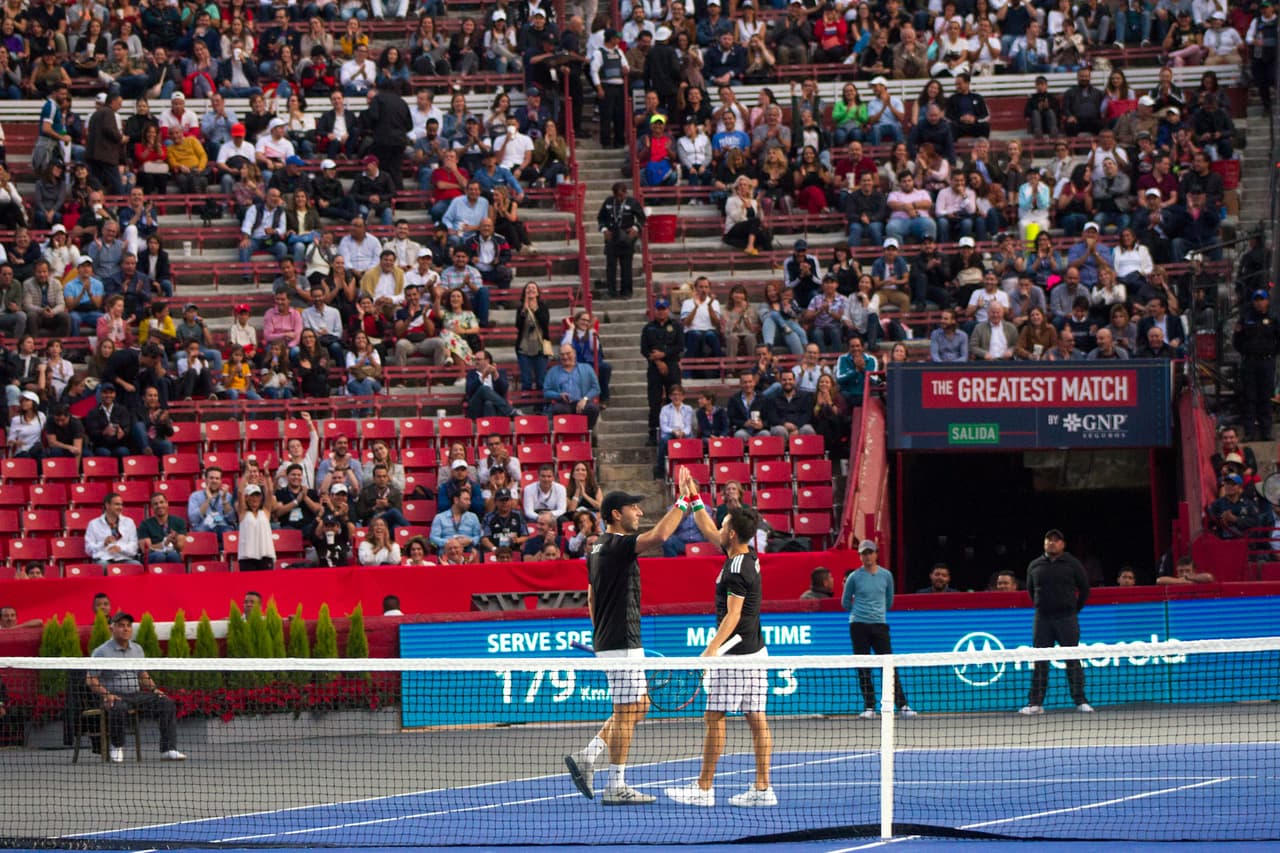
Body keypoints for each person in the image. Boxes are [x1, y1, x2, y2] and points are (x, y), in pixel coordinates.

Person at [563, 485, 703, 805]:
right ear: (617, 514)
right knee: (627, 711)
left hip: (614, 639)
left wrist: (600, 635)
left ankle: (588, 755)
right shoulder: (618, 544)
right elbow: (660, 537)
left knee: (639, 706)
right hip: (621, 641)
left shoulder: (597, 547)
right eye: (634, 508)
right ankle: (616, 785)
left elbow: (591, 596)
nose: (639, 512)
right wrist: (685, 500)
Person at [665, 471, 775, 808]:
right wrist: (692, 495)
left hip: (735, 656)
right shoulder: (745, 557)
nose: (718, 527)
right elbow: (709, 529)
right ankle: (762, 789)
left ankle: (704, 788)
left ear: (732, 533)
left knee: (714, 717)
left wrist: (710, 650)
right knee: (757, 719)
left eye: (723, 523)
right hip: (756, 652)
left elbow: (733, 616)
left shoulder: (734, 570)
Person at [87, 612, 186, 763]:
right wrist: (106, 694)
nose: (125, 629)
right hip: (113, 696)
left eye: (128, 626)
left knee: (166, 702)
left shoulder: (137, 649)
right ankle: (117, 746)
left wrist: (154, 690)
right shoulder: (101, 652)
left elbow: (142, 675)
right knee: (118, 707)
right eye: (120, 626)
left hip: (135, 695)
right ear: (111, 629)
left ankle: (168, 749)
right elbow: (91, 680)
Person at [1020, 529, 1092, 715]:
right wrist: (1042, 606)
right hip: (1042, 619)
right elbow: (1031, 591)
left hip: (1067, 618)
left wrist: (1073, 610)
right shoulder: (1035, 565)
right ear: (1044, 543)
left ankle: (1080, 701)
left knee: (1072, 659)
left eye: (1056, 540)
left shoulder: (1072, 564)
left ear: (1063, 544)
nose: (1052, 543)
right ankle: (1035, 703)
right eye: (1049, 540)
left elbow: (1084, 589)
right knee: (1040, 661)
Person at [842, 539, 914, 718]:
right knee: (864, 667)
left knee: (889, 665)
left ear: (876, 554)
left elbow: (889, 600)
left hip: (880, 625)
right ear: (860, 556)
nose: (867, 556)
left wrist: (876, 614)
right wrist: (860, 614)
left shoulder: (886, 576)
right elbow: (845, 602)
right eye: (863, 553)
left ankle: (902, 705)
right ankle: (869, 707)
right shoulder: (854, 577)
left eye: (870, 553)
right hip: (858, 626)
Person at [1233, 289, 1280, 442]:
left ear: (1267, 301)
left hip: (1266, 361)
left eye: (1262, 299)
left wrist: (1272, 353)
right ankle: (1249, 432)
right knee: (1249, 396)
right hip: (1250, 361)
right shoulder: (1246, 318)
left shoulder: (1273, 318)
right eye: (1256, 300)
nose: (1259, 302)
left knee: (1265, 396)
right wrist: (1247, 352)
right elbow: (1237, 341)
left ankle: (1266, 431)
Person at [598, 182, 645, 299]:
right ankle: (611, 291)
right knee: (611, 266)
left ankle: (627, 292)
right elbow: (600, 218)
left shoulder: (632, 202)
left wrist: (635, 228)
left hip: (626, 237)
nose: (619, 198)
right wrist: (604, 230)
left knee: (626, 266)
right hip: (612, 237)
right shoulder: (608, 202)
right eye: (617, 196)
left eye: (621, 195)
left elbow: (642, 218)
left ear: (625, 193)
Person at [85, 493, 141, 566]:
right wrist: (103, 544)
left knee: (137, 565)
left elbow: (134, 546)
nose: (120, 507)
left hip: (124, 558)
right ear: (107, 505)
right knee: (103, 566)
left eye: (121, 504)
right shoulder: (94, 524)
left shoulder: (129, 522)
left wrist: (121, 548)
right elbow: (88, 549)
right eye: (117, 504)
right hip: (104, 559)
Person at [138, 493, 186, 564]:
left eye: (161, 502)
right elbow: (146, 550)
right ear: (152, 507)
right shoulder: (145, 524)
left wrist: (174, 541)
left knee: (174, 556)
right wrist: (164, 543)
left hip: (173, 552)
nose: (159, 506)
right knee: (159, 556)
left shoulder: (179, 521)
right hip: (154, 555)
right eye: (155, 504)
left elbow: (180, 547)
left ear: (167, 503)